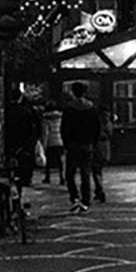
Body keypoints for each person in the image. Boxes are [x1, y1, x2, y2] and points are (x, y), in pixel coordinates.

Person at [61, 82, 101, 213]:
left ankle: (74, 197)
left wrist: (66, 143)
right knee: (86, 173)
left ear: (73, 92)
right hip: (87, 144)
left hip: (73, 144)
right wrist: (93, 143)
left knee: (70, 174)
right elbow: (97, 128)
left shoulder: (69, 109)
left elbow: (64, 128)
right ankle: (86, 199)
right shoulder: (92, 108)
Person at [5, 89, 39, 187]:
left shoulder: (6, 111)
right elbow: (32, 129)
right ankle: (25, 179)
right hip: (24, 143)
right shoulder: (26, 111)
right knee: (25, 164)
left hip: (10, 142)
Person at [91, 107, 113, 203]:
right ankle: (98, 190)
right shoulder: (108, 123)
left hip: (97, 146)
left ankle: (100, 189)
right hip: (106, 147)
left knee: (95, 170)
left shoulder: (97, 123)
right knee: (100, 169)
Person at [40, 101, 64, 185]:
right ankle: (62, 178)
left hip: (50, 141)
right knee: (60, 160)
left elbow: (45, 133)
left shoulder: (46, 119)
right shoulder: (60, 117)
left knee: (48, 161)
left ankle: (47, 177)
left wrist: (44, 145)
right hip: (60, 140)